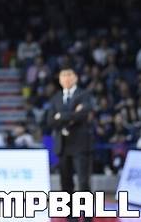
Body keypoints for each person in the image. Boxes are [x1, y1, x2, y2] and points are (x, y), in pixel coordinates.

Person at [47, 68, 94, 222]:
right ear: (60, 80)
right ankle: (71, 217)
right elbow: (50, 121)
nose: (66, 78)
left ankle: (87, 217)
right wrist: (72, 115)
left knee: (83, 182)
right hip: (63, 145)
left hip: (81, 145)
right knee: (66, 183)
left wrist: (61, 116)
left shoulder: (84, 94)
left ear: (75, 78)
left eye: (69, 75)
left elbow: (83, 114)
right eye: (63, 76)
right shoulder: (56, 98)